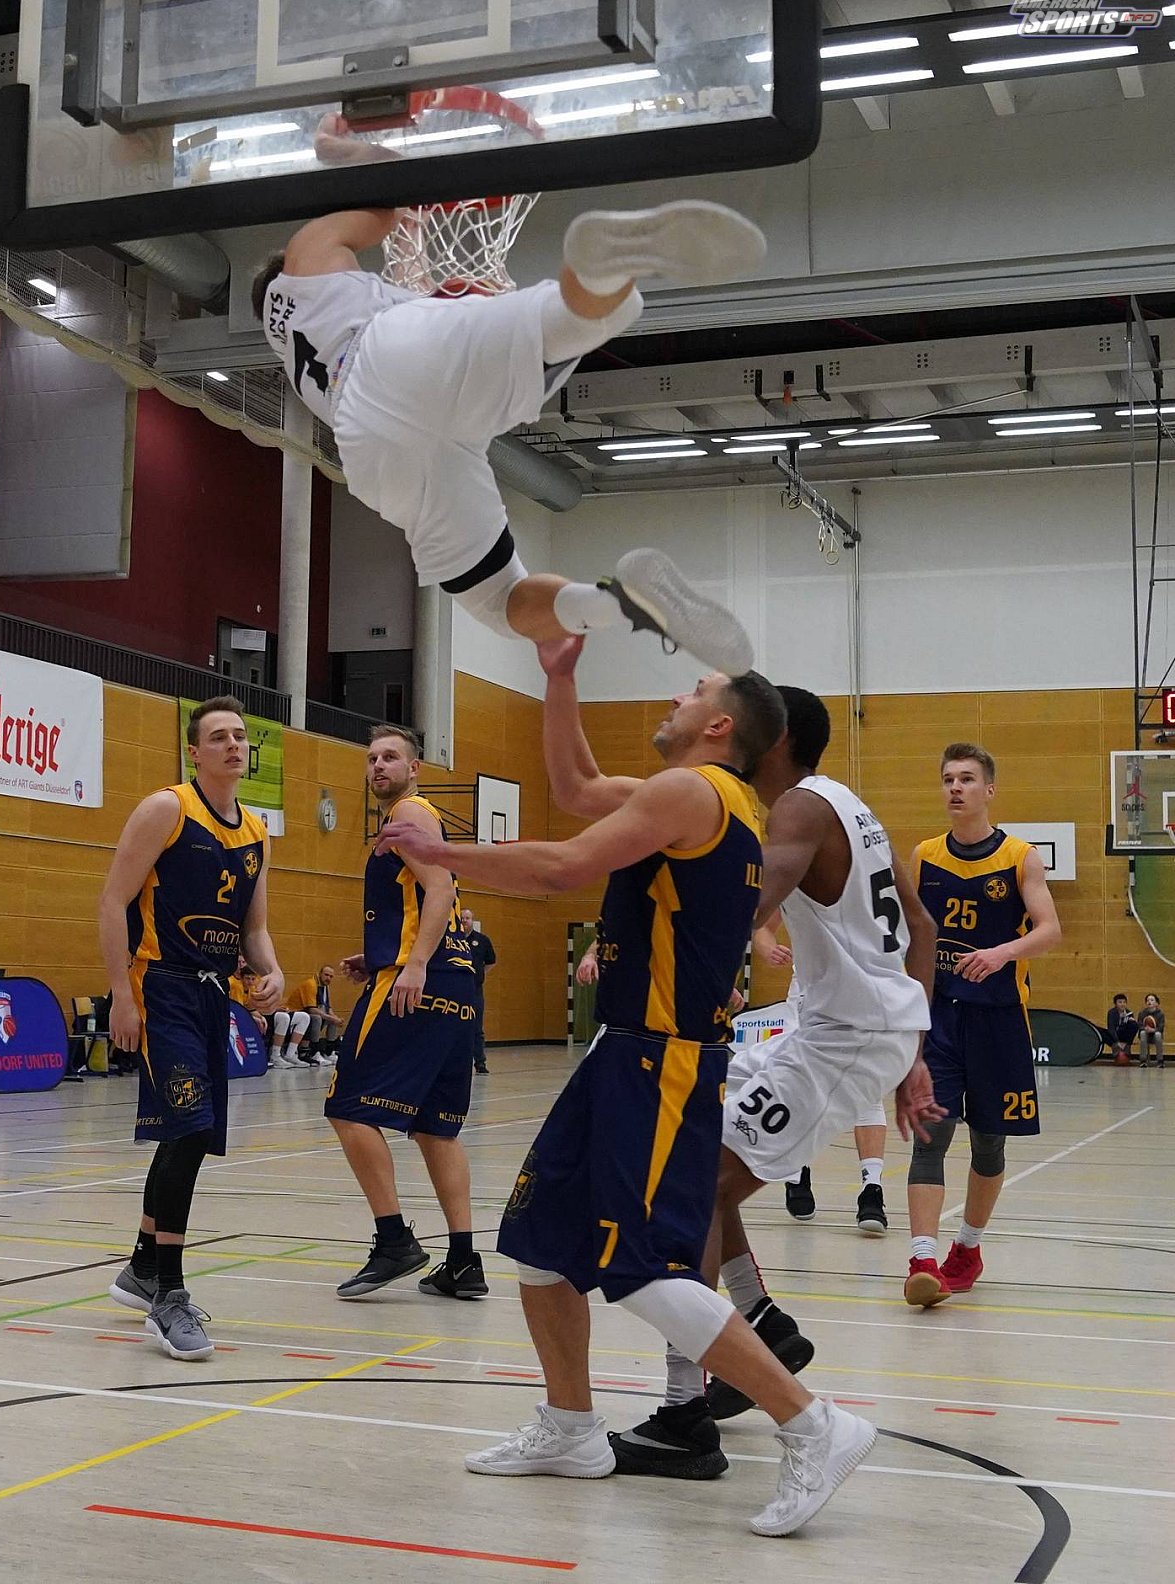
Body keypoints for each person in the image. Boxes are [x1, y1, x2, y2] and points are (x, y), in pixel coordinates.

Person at [377, 648, 882, 1539]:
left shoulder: (692, 793)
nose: (676, 695)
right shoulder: (698, 797)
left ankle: (813, 1424)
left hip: (663, 1060)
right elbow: (573, 788)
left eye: (696, 691)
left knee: (643, 1269)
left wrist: (438, 852)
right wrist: (557, 674)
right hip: (625, 1052)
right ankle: (571, 1428)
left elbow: (559, 868)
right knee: (539, 1239)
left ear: (719, 725)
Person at [253, 117, 764, 676]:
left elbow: (406, 279)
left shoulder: (290, 349)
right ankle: (604, 265)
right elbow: (393, 196)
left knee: (499, 602)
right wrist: (350, 151)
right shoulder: (304, 256)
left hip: (369, 446)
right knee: (592, 317)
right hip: (390, 354)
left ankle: (620, 605)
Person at [623, 686, 939, 1466]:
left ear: (776, 736)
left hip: (844, 1039)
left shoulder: (798, 808)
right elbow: (921, 925)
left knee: (694, 1189)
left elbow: (739, 904)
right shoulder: (846, 805)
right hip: (845, 1028)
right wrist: (912, 1044)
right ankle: (761, 1323)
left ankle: (684, 1412)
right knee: (699, 1166)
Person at [99, 696, 283, 1360]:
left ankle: (143, 1265)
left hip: (213, 996)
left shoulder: (256, 830)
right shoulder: (166, 809)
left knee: (192, 1134)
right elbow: (113, 899)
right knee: (187, 1129)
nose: (234, 745)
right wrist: (121, 995)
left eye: (240, 736)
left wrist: (272, 971)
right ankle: (168, 1297)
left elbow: (254, 926)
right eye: (219, 736)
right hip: (162, 985)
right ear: (195, 752)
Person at [327, 724, 487, 1301]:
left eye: (390, 757)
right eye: (371, 758)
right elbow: (426, 900)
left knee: (347, 1107)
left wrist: (412, 965)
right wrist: (379, 955)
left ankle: (394, 1239)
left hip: (418, 982)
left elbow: (439, 889)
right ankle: (464, 1261)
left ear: (415, 768)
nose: (378, 765)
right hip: (457, 983)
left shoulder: (409, 814)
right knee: (435, 1126)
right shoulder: (418, 821)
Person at [904, 743, 1062, 1307]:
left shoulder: (1021, 857)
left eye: (967, 778)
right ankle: (922, 1259)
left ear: (989, 789)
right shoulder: (923, 857)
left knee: (989, 1145)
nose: (956, 787)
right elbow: (908, 937)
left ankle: (967, 1249)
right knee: (930, 1136)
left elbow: (1050, 930)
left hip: (999, 1017)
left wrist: (1001, 954)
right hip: (940, 1019)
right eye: (948, 778)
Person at [747, 918, 892, 1235]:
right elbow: (760, 926)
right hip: (809, 995)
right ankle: (796, 1170)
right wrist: (769, 949)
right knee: (800, 1087)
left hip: (864, 992)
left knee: (866, 1089)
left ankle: (872, 1189)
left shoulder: (877, 889)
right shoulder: (796, 885)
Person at [459, 908, 497, 1074]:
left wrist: (479, 974)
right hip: (455, 989)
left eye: (467, 918)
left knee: (476, 1028)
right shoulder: (453, 939)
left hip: (474, 990)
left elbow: (491, 962)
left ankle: (480, 1063)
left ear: (472, 920)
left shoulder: (482, 940)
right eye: (461, 918)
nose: (464, 921)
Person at [1107, 992, 1139, 1066]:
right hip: (1115, 1034)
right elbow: (1111, 1028)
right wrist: (1117, 1042)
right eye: (1120, 1002)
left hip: (1124, 1034)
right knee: (1104, 1033)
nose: (1122, 1004)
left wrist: (1131, 1021)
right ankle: (1116, 1052)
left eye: (1124, 1002)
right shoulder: (1111, 1012)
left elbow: (1132, 1029)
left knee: (1134, 1024)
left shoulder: (1129, 1012)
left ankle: (1127, 1046)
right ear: (1115, 1004)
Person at [1137, 992, 1165, 1067]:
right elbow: (1139, 1025)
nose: (1149, 1002)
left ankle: (1160, 1060)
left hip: (1155, 1035)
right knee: (1142, 1033)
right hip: (1145, 1035)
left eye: (1152, 1000)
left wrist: (1153, 1030)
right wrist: (1145, 1028)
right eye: (1148, 1000)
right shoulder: (1142, 1013)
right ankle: (1143, 1060)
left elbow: (1161, 1027)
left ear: (1156, 1003)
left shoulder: (1160, 1014)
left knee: (1158, 1035)